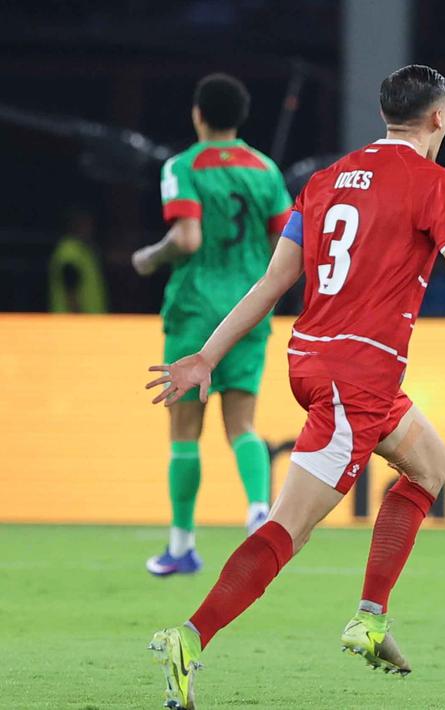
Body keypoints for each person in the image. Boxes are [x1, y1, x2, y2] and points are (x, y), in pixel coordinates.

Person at [143, 64, 445, 710]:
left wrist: (208, 355)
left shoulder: (325, 181)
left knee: (430, 465)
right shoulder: (436, 183)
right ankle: (190, 637)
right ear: (439, 116)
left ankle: (371, 618)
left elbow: (273, 283)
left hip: (316, 360)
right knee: (289, 529)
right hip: (357, 376)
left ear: (385, 115)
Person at [132, 73, 293, 576]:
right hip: (248, 310)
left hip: (196, 309)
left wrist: (150, 256)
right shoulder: (265, 170)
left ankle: (182, 545)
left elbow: (187, 238)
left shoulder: (182, 166)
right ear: (240, 118)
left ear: (198, 115)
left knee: (185, 432)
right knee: (242, 425)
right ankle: (260, 510)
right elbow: (284, 243)